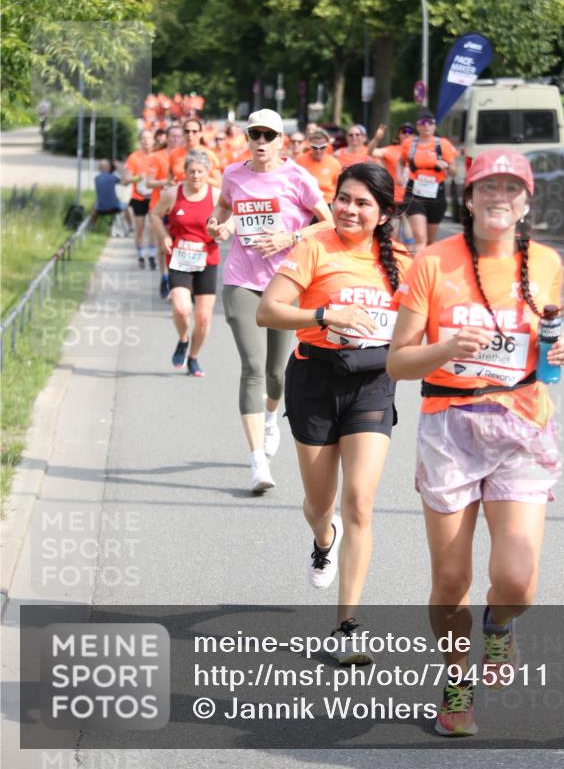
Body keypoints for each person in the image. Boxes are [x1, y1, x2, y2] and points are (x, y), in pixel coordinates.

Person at [387, 148, 564, 737]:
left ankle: (498, 625)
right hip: (450, 426)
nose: (500, 198)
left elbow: (547, 339)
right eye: (487, 188)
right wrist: (445, 350)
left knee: (517, 581)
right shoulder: (432, 262)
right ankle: (456, 684)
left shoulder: (545, 262)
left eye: (511, 189)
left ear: (526, 202)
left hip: (522, 425)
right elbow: (396, 363)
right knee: (449, 581)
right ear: (467, 199)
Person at [257, 164, 411, 661]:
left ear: (384, 213)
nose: (348, 209)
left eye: (362, 203)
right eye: (343, 198)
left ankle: (348, 626)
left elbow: (430, 321)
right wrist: (325, 314)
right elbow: (268, 310)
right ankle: (323, 540)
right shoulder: (315, 246)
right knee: (321, 506)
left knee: (360, 503)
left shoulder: (403, 262)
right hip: (315, 379)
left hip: (372, 384)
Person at [207, 110, 333, 493]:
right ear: (248, 138)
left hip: (284, 283)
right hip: (241, 280)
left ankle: (271, 417)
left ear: (281, 140)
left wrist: (290, 238)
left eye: (268, 135)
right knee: (252, 367)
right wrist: (220, 226)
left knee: (277, 373)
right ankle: (257, 459)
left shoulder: (297, 177)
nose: (260, 142)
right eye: (254, 135)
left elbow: (327, 222)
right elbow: (224, 211)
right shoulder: (233, 174)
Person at [151, 150, 221, 378]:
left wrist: (222, 231)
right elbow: (155, 214)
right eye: (191, 171)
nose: (196, 176)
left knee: (203, 318)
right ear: (185, 172)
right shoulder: (173, 194)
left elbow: (229, 221)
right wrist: (164, 235)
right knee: (182, 309)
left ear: (207, 173)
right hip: (179, 257)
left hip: (206, 259)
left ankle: (193, 357)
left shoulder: (216, 196)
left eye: (200, 172)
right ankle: (183, 339)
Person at [400, 108, 458, 253]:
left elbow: (454, 171)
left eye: (430, 122)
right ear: (417, 126)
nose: (426, 126)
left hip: (436, 193)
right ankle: (415, 272)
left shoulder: (443, 144)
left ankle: (425, 267)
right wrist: (400, 175)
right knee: (420, 237)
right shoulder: (409, 144)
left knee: (430, 242)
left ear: (434, 125)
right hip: (414, 193)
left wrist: (446, 166)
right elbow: (401, 161)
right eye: (422, 122)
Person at [146, 123, 184, 298]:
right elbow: (149, 182)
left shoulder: (187, 156)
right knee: (164, 246)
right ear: (166, 138)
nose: (176, 139)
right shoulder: (156, 156)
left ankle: (180, 282)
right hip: (160, 206)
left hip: (182, 206)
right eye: (173, 136)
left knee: (181, 245)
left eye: (179, 136)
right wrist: (166, 184)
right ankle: (164, 276)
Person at [367, 121, 416, 245]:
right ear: (398, 135)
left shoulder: (419, 150)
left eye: (410, 132)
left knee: (414, 233)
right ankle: (395, 258)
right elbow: (370, 152)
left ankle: (410, 261)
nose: (407, 134)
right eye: (404, 132)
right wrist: (377, 138)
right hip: (394, 196)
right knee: (393, 232)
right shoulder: (390, 150)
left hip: (414, 196)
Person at [123, 130, 158, 268]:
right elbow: (125, 180)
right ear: (139, 141)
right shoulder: (133, 157)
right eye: (143, 138)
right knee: (140, 227)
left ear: (153, 140)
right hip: (138, 197)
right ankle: (141, 255)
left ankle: (152, 255)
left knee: (153, 227)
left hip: (154, 196)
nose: (146, 141)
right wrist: (138, 177)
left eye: (149, 138)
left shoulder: (157, 156)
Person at [169, 117, 220, 187]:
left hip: (202, 195)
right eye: (187, 131)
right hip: (179, 195)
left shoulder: (209, 154)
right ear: (183, 133)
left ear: (200, 134)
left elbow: (219, 183)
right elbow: (169, 180)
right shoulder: (174, 154)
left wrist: (200, 178)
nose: (190, 134)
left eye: (194, 131)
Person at [296, 129, 342, 205]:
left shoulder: (334, 163)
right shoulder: (300, 161)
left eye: (322, 147)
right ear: (309, 145)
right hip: (305, 203)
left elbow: (339, 187)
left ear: (327, 145)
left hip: (327, 202)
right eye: (315, 147)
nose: (318, 151)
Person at [91, 159, 124, 227]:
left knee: (94, 204)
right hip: (115, 207)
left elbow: (106, 178)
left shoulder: (96, 178)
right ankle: (130, 228)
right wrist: (118, 168)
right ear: (108, 167)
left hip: (101, 208)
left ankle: (93, 226)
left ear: (99, 168)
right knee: (125, 206)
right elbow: (124, 181)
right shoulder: (113, 177)